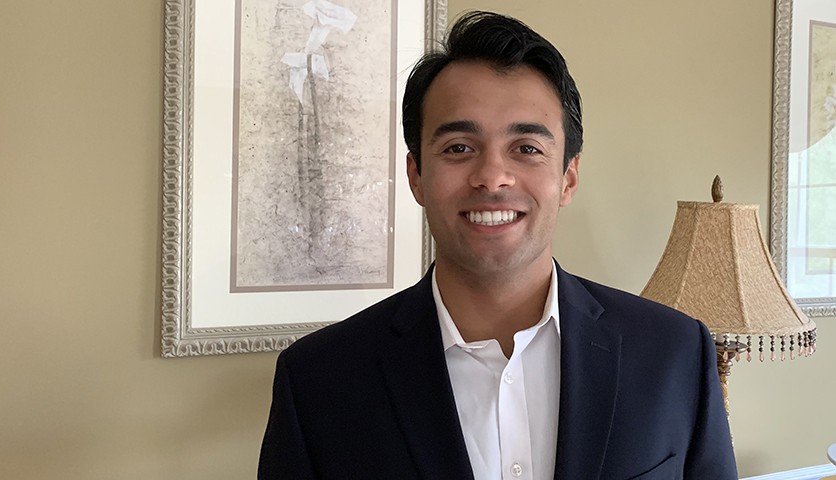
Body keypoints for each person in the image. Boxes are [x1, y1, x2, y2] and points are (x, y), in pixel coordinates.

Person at [258, 10, 737, 480]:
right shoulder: (319, 381)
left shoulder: (673, 353)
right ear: (416, 177)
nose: (492, 177)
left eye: (526, 148)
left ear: (568, 178)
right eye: (459, 148)